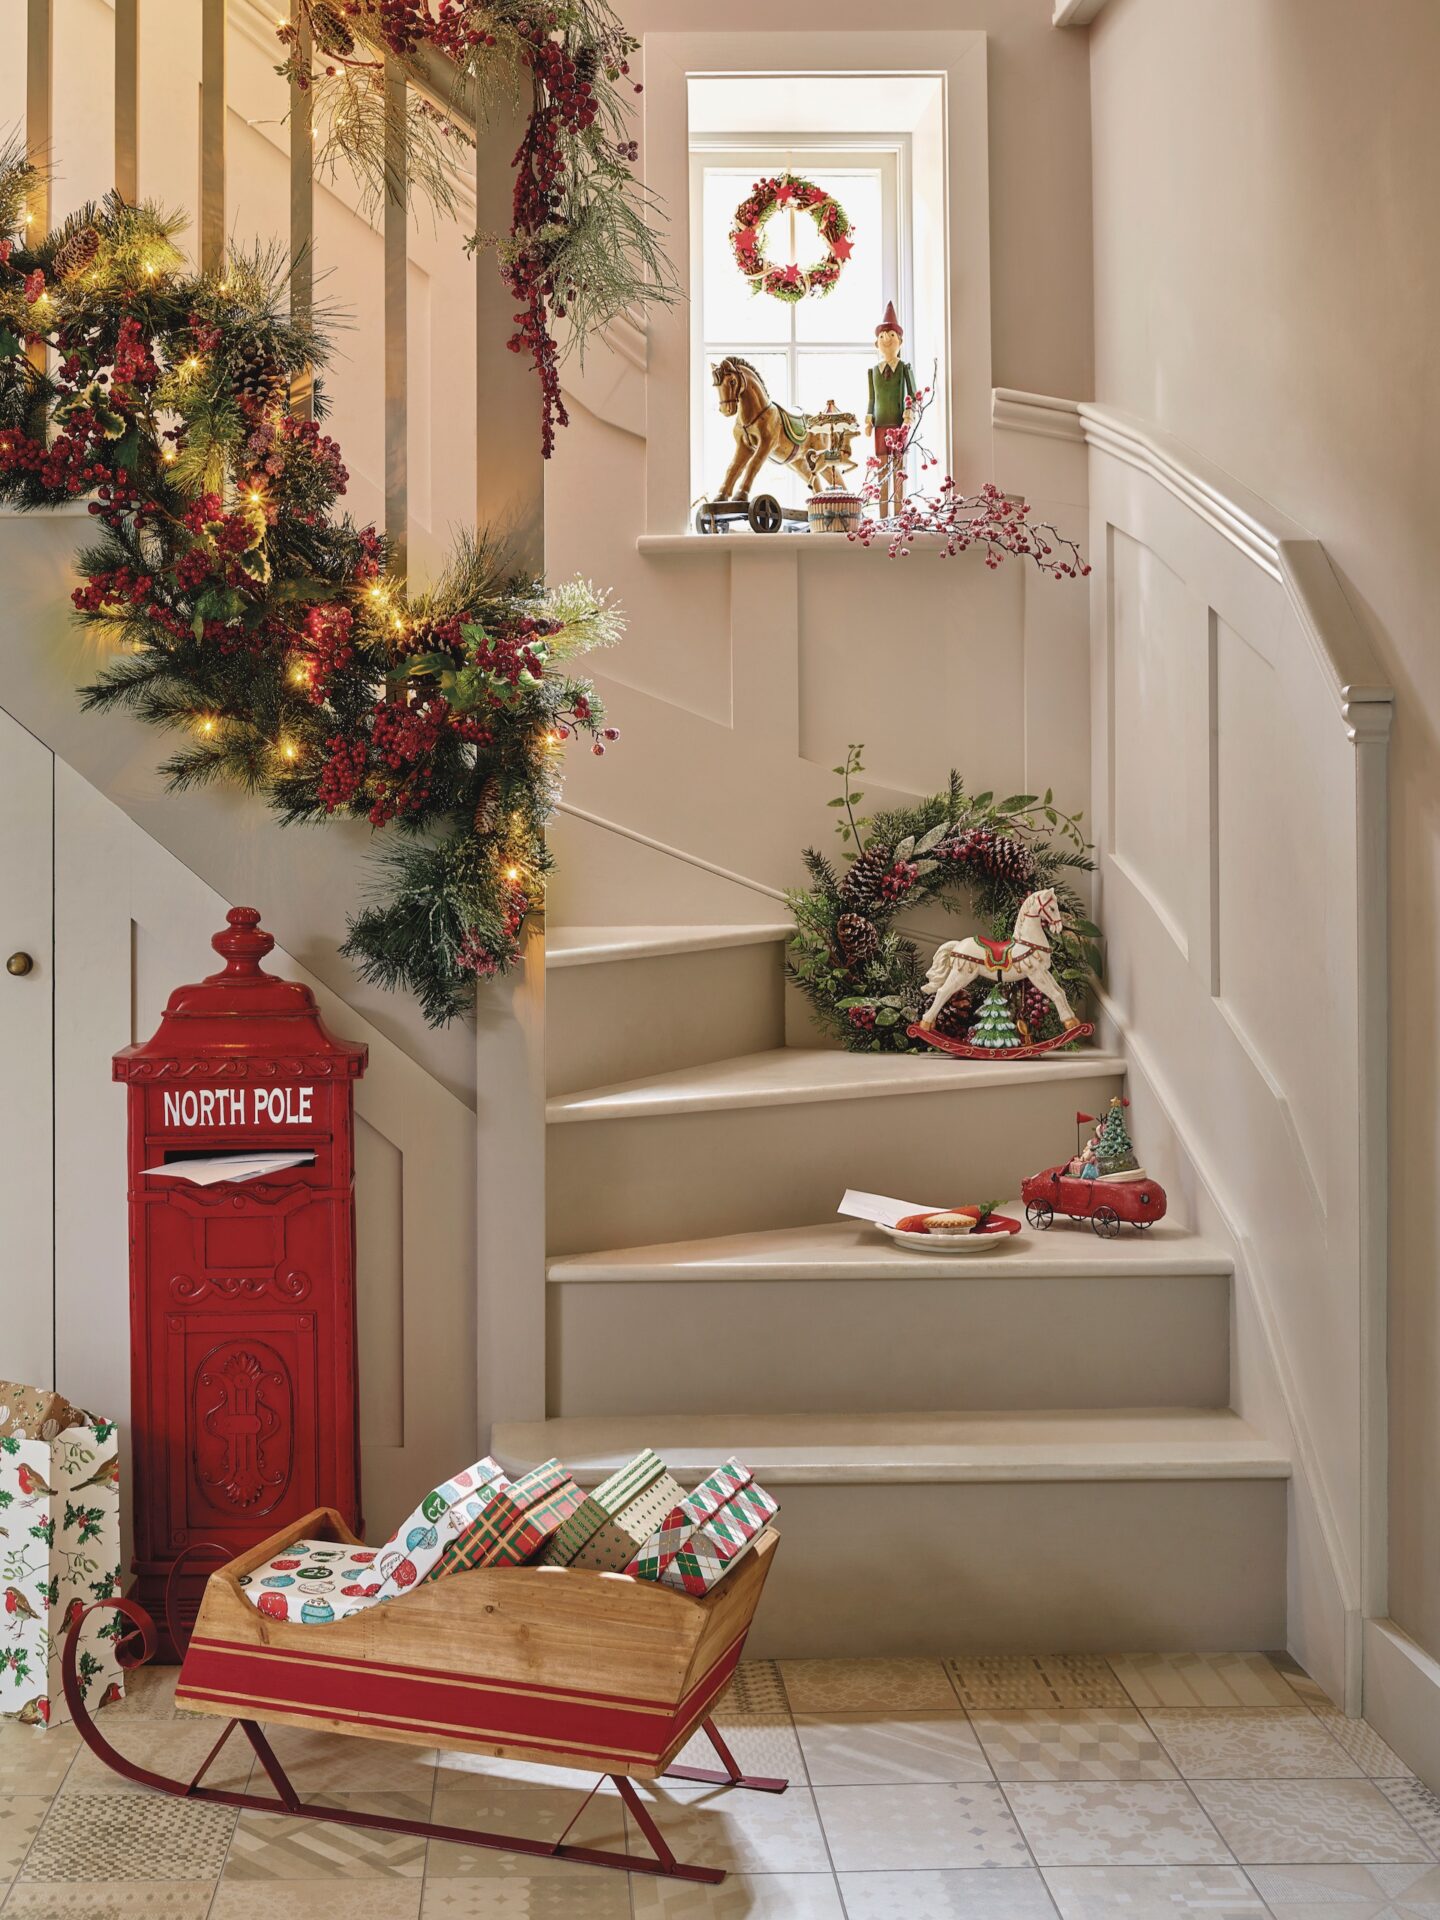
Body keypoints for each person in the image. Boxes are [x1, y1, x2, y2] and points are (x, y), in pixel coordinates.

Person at [864, 300, 917, 519]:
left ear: (900, 341)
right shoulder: (873, 371)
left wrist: (908, 415)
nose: (886, 339)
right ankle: (883, 515)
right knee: (881, 469)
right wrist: (868, 419)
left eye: (891, 335)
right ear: (876, 343)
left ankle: (898, 513)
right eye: (882, 336)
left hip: (898, 425)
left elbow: (912, 394)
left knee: (898, 467)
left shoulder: (904, 368)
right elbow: (872, 398)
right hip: (879, 426)